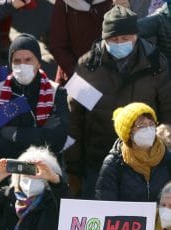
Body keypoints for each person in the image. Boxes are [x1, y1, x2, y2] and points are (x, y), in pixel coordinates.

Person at [67, 5, 171, 197]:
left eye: (125, 38)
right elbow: (74, 119)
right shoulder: (88, 65)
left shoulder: (156, 64)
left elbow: (168, 113)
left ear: (136, 36)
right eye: (113, 39)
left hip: (143, 167)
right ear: (104, 38)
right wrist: (73, 167)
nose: (119, 43)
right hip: (96, 162)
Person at [0, 34, 69, 161]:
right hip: (8, 169)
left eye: (28, 60)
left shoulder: (56, 92)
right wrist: (41, 134)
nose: (22, 65)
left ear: (39, 63)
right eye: (17, 61)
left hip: (44, 169)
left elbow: (58, 141)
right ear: (10, 64)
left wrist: (16, 134)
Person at [97, 101, 171, 203]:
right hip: (127, 218)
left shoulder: (166, 158)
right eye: (141, 126)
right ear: (128, 132)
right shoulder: (114, 163)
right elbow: (105, 203)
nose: (148, 129)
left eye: (151, 124)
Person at [48, 0, 111, 82]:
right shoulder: (64, 3)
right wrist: (79, 72)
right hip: (75, 76)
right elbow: (57, 45)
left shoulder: (113, 2)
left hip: (109, 75)